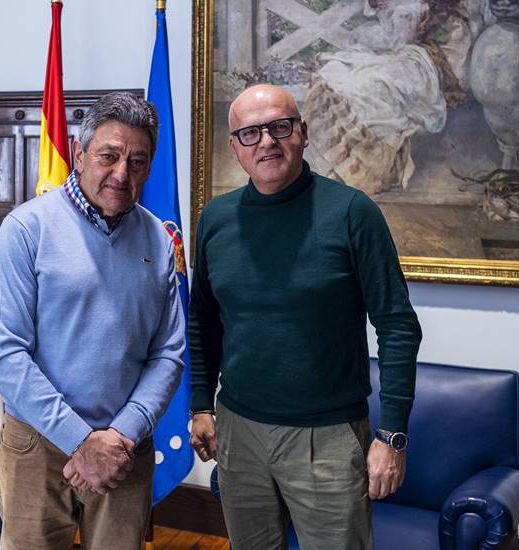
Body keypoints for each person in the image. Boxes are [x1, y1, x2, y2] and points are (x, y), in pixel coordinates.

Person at [189, 84, 422, 549]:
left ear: (303, 133)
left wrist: (392, 434)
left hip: (329, 439)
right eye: (250, 133)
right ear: (235, 147)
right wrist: (200, 405)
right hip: (239, 431)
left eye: (280, 126)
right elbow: (203, 321)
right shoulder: (215, 219)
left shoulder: (353, 213)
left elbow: (397, 325)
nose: (267, 142)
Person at [0, 92, 185, 550]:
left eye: (137, 162)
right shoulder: (26, 229)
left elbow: (168, 354)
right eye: (109, 156)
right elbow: (4, 355)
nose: (121, 173)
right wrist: (80, 440)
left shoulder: (159, 237)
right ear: (79, 152)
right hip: (37, 445)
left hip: (123, 449)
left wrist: (120, 436)